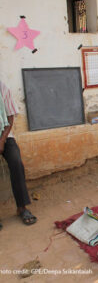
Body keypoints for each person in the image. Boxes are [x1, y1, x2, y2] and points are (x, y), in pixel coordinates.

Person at [0, 80, 36, 229]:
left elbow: (9, 117)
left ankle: (22, 207)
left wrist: (2, 140)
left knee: (16, 163)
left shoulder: (2, 88)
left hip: (4, 135)